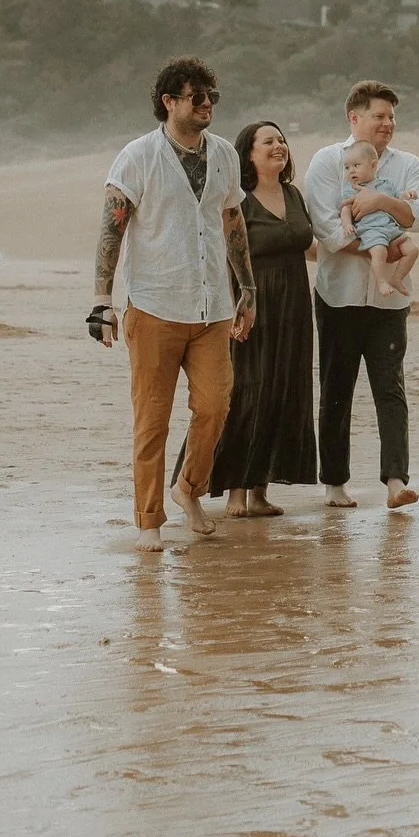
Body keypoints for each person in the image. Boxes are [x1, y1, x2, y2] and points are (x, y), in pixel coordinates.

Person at [86, 57, 257, 552]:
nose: (207, 105)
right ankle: (148, 519)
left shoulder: (224, 154)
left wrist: (247, 289)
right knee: (152, 420)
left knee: (216, 405)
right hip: (155, 304)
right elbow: (111, 230)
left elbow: (232, 222)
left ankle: (189, 488)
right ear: (169, 101)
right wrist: (102, 301)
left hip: (213, 307)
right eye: (196, 97)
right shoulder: (137, 157)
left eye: (212, 98)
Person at [304, 79, 419, 510]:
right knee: (336, 389)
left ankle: (396, 482)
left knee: (390, 390)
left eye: (392, 116)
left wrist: (381, 200)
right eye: (379, 116)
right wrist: (385, 245)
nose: (388, 124)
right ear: (354, 117)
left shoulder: (407, 164)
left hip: (389, 302)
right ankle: (335, 483)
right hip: (338, 295)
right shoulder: (327, 161)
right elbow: (327, 229)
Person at [202, 120, 318, 516]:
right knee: (248, 391)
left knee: (283, 391)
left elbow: (308, 245)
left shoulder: (294, 195)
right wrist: (232, 305)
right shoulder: (239, 199)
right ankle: (234, 488)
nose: (278, 145)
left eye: (282, 140)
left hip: (296, 307)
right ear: (248, 154)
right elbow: (223, 256)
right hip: (252, 304)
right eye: (268, 141)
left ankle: (259, 490)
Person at [338, 140, 419, 299]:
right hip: (371, 230)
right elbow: (345, 208)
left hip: (391, 228)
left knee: (412, 250)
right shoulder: (351, 189)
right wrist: (347, 224)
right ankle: (381, 281)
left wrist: (407, 195)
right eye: (347, 167)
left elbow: (397, 198)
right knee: (379, 252)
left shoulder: (385, 184)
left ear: (373, 165)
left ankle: (397, 278)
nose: (351, 171)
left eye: (356, 165)